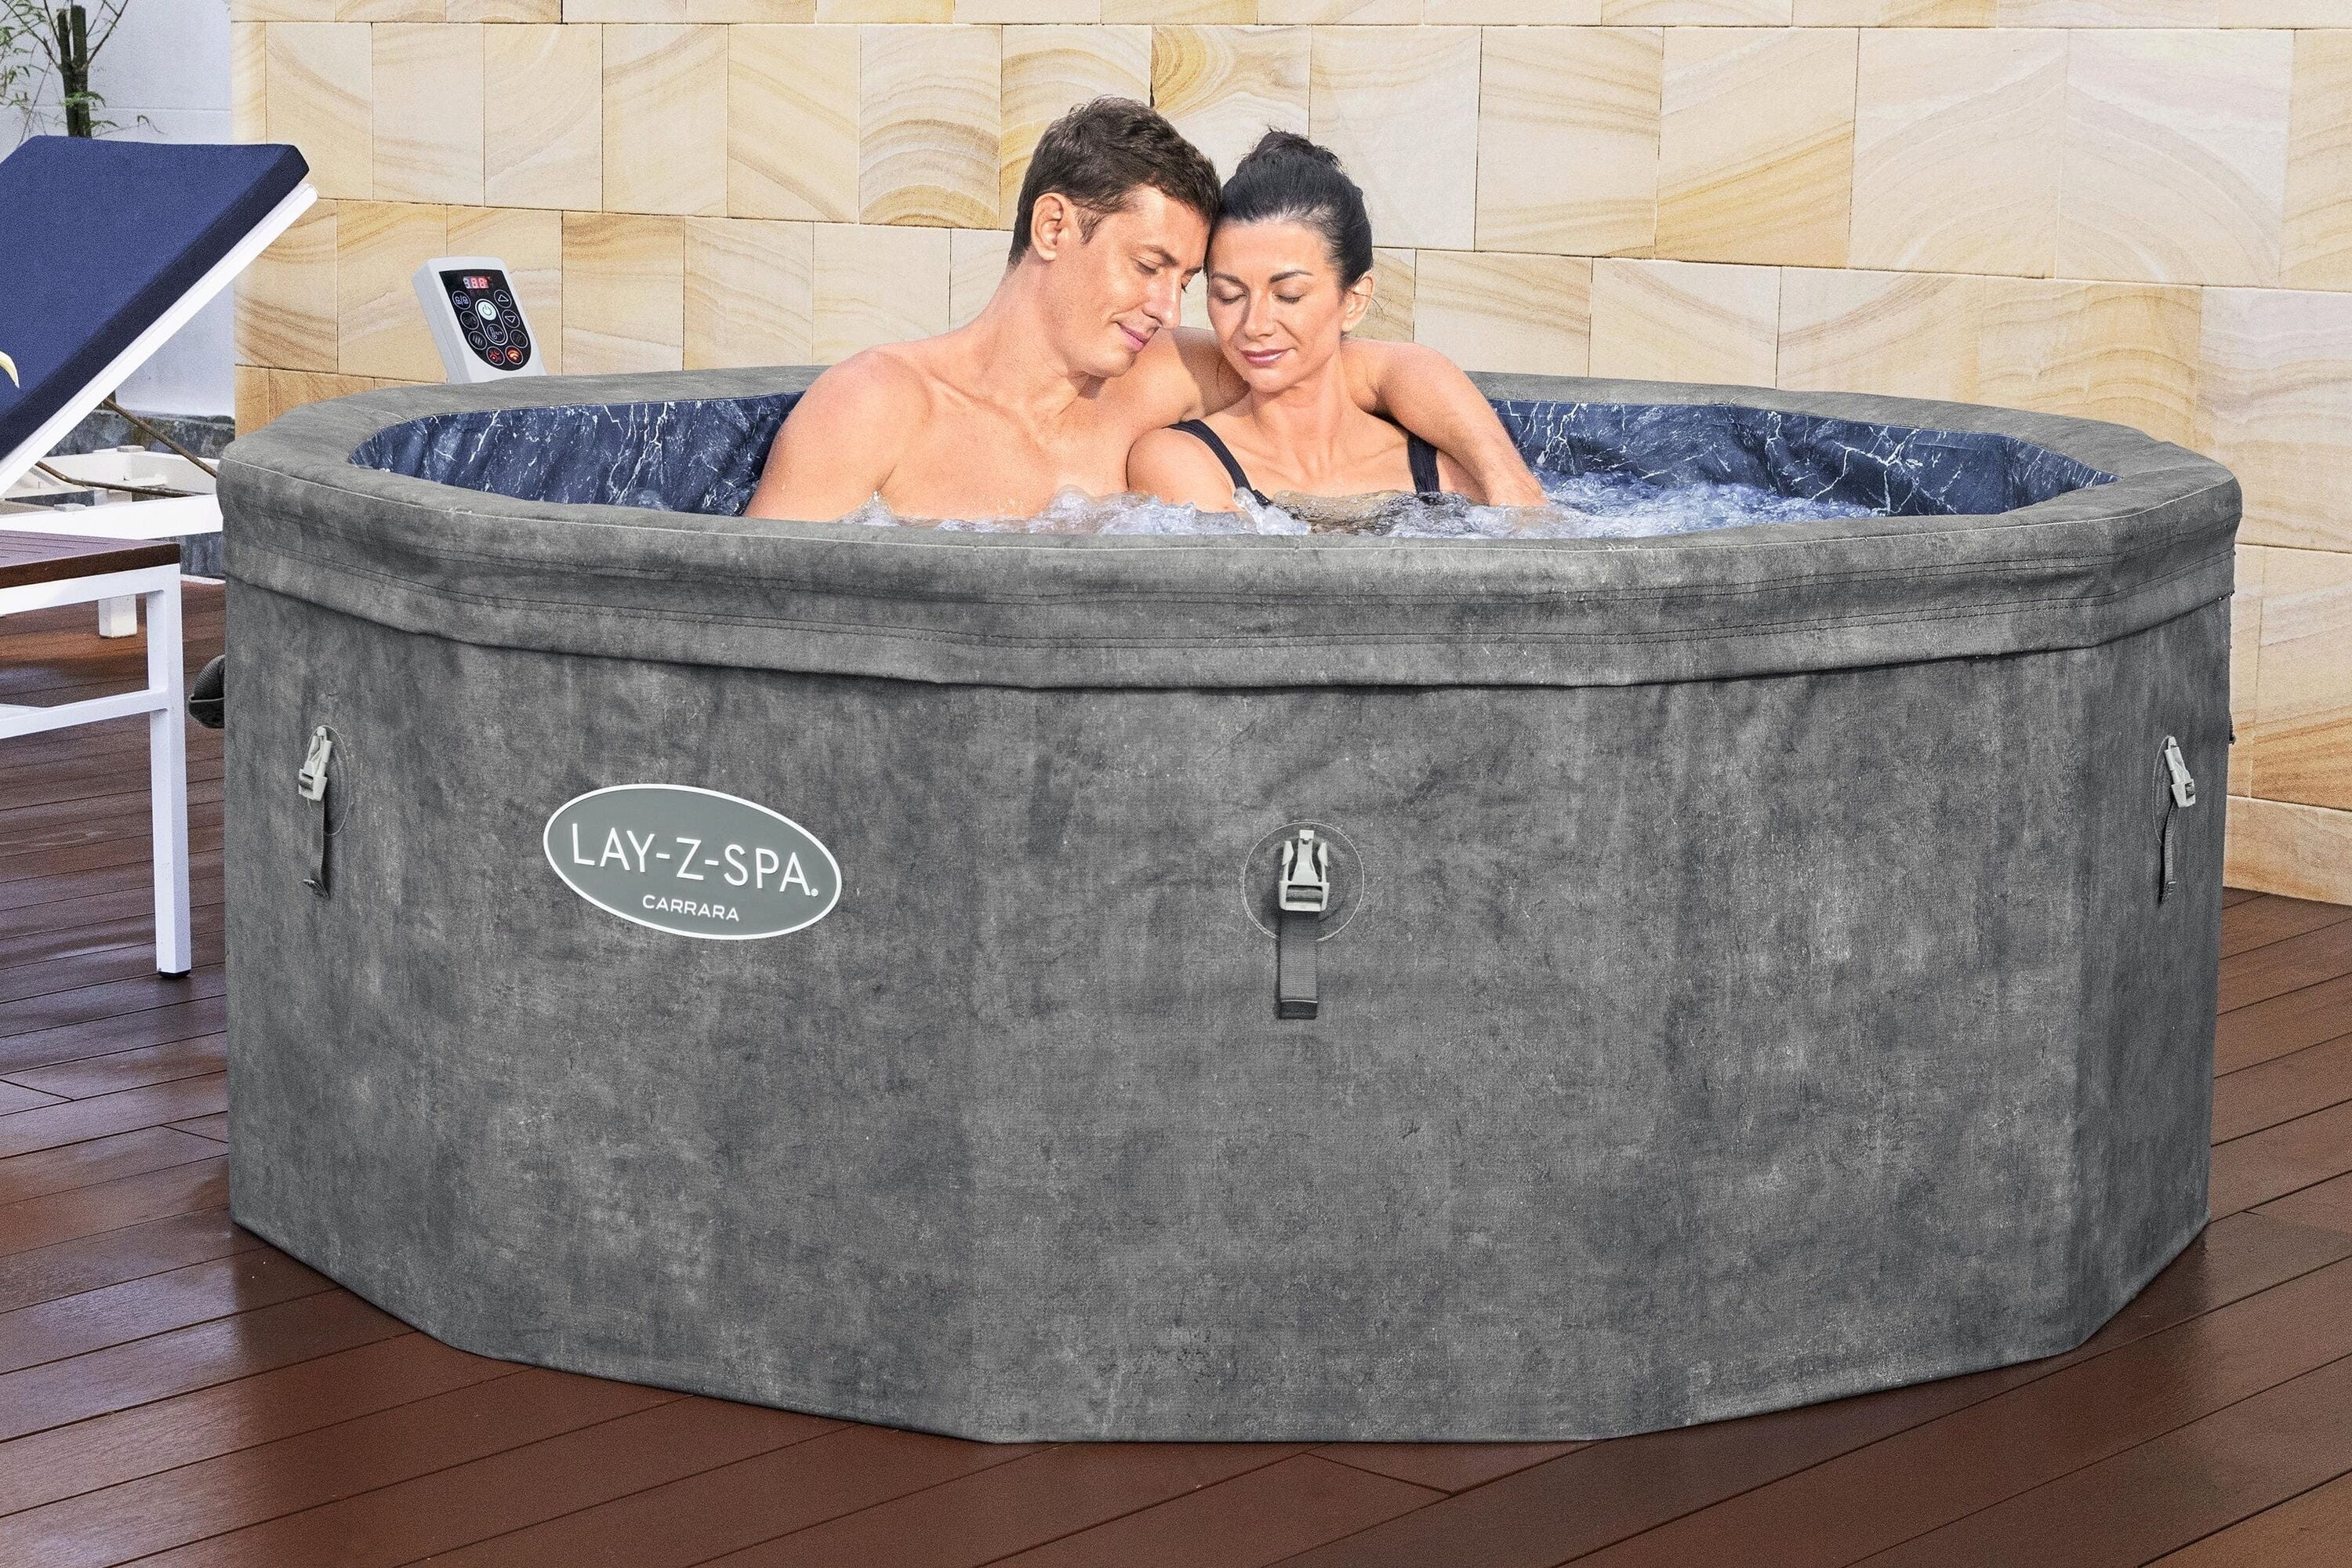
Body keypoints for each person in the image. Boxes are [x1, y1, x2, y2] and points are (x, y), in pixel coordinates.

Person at [743, 99, 1541, 523]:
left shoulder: (1153, 379)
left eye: (1187, 280)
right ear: (1054, 227)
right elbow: (748, 621)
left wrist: (1515, 497)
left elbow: (1377, 365)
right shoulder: (878, 406)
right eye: (1149, 266)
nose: (1166, 306)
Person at [1127, 131, 1523, 518]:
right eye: (1230, 295)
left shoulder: (1452, 476)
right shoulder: (1179, 460)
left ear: (1354, 301)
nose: (1255, 325)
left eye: (1289, 295)